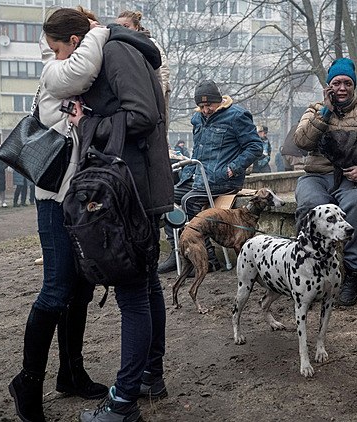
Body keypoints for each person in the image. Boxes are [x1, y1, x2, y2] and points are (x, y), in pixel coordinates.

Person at [52, 9, 174, 421]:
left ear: (77, 39)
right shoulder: (119, 49)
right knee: (145, 286)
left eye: (59, 52)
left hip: (131, 191)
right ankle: (148, 376)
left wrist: (88, 123)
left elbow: (142, 116)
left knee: (133, 294)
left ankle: (122, 404)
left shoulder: (118, 51)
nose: (61, 63)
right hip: (133, 185)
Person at [8, 12, 110, 422]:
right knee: (56, 289)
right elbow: (82, 68)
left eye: (56, 48)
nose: (50, 55)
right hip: (53, 200)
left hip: (78, 200)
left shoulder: (69, 62)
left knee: (81, 289)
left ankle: (71, 372)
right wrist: (101, 31)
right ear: (77, 39)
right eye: (52, 49)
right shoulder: (57, 72)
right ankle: (27, 380)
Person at [293, 57, 357, 306]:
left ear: (354, 86)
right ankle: (305, 268)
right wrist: (325, 111)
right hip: (317, 176)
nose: (342, 88)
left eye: (347, 83)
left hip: (354, 177)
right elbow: (302, 141)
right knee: (310, 203)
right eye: (337, 83)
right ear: (329, 86)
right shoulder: (314, 109)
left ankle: (352, 273)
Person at [157, 80, 263, 274]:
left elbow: (255, 147)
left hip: (223, 180)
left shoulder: (237, 116)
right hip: (197, 177)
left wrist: (232, 169)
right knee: (166, 198)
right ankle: (177, 253)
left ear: (219, 101)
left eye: (209, 106)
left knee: (189, 201)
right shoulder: (197, 119)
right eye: (201, 106)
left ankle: (208, 259)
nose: (205, 110)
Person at [117, 9, 172, 139]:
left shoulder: (150, 44)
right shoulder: (118, 46)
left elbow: (162, 74)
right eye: (119, 27)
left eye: (126, 26)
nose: (122, 30)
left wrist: (157, 99)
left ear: (136, 27)